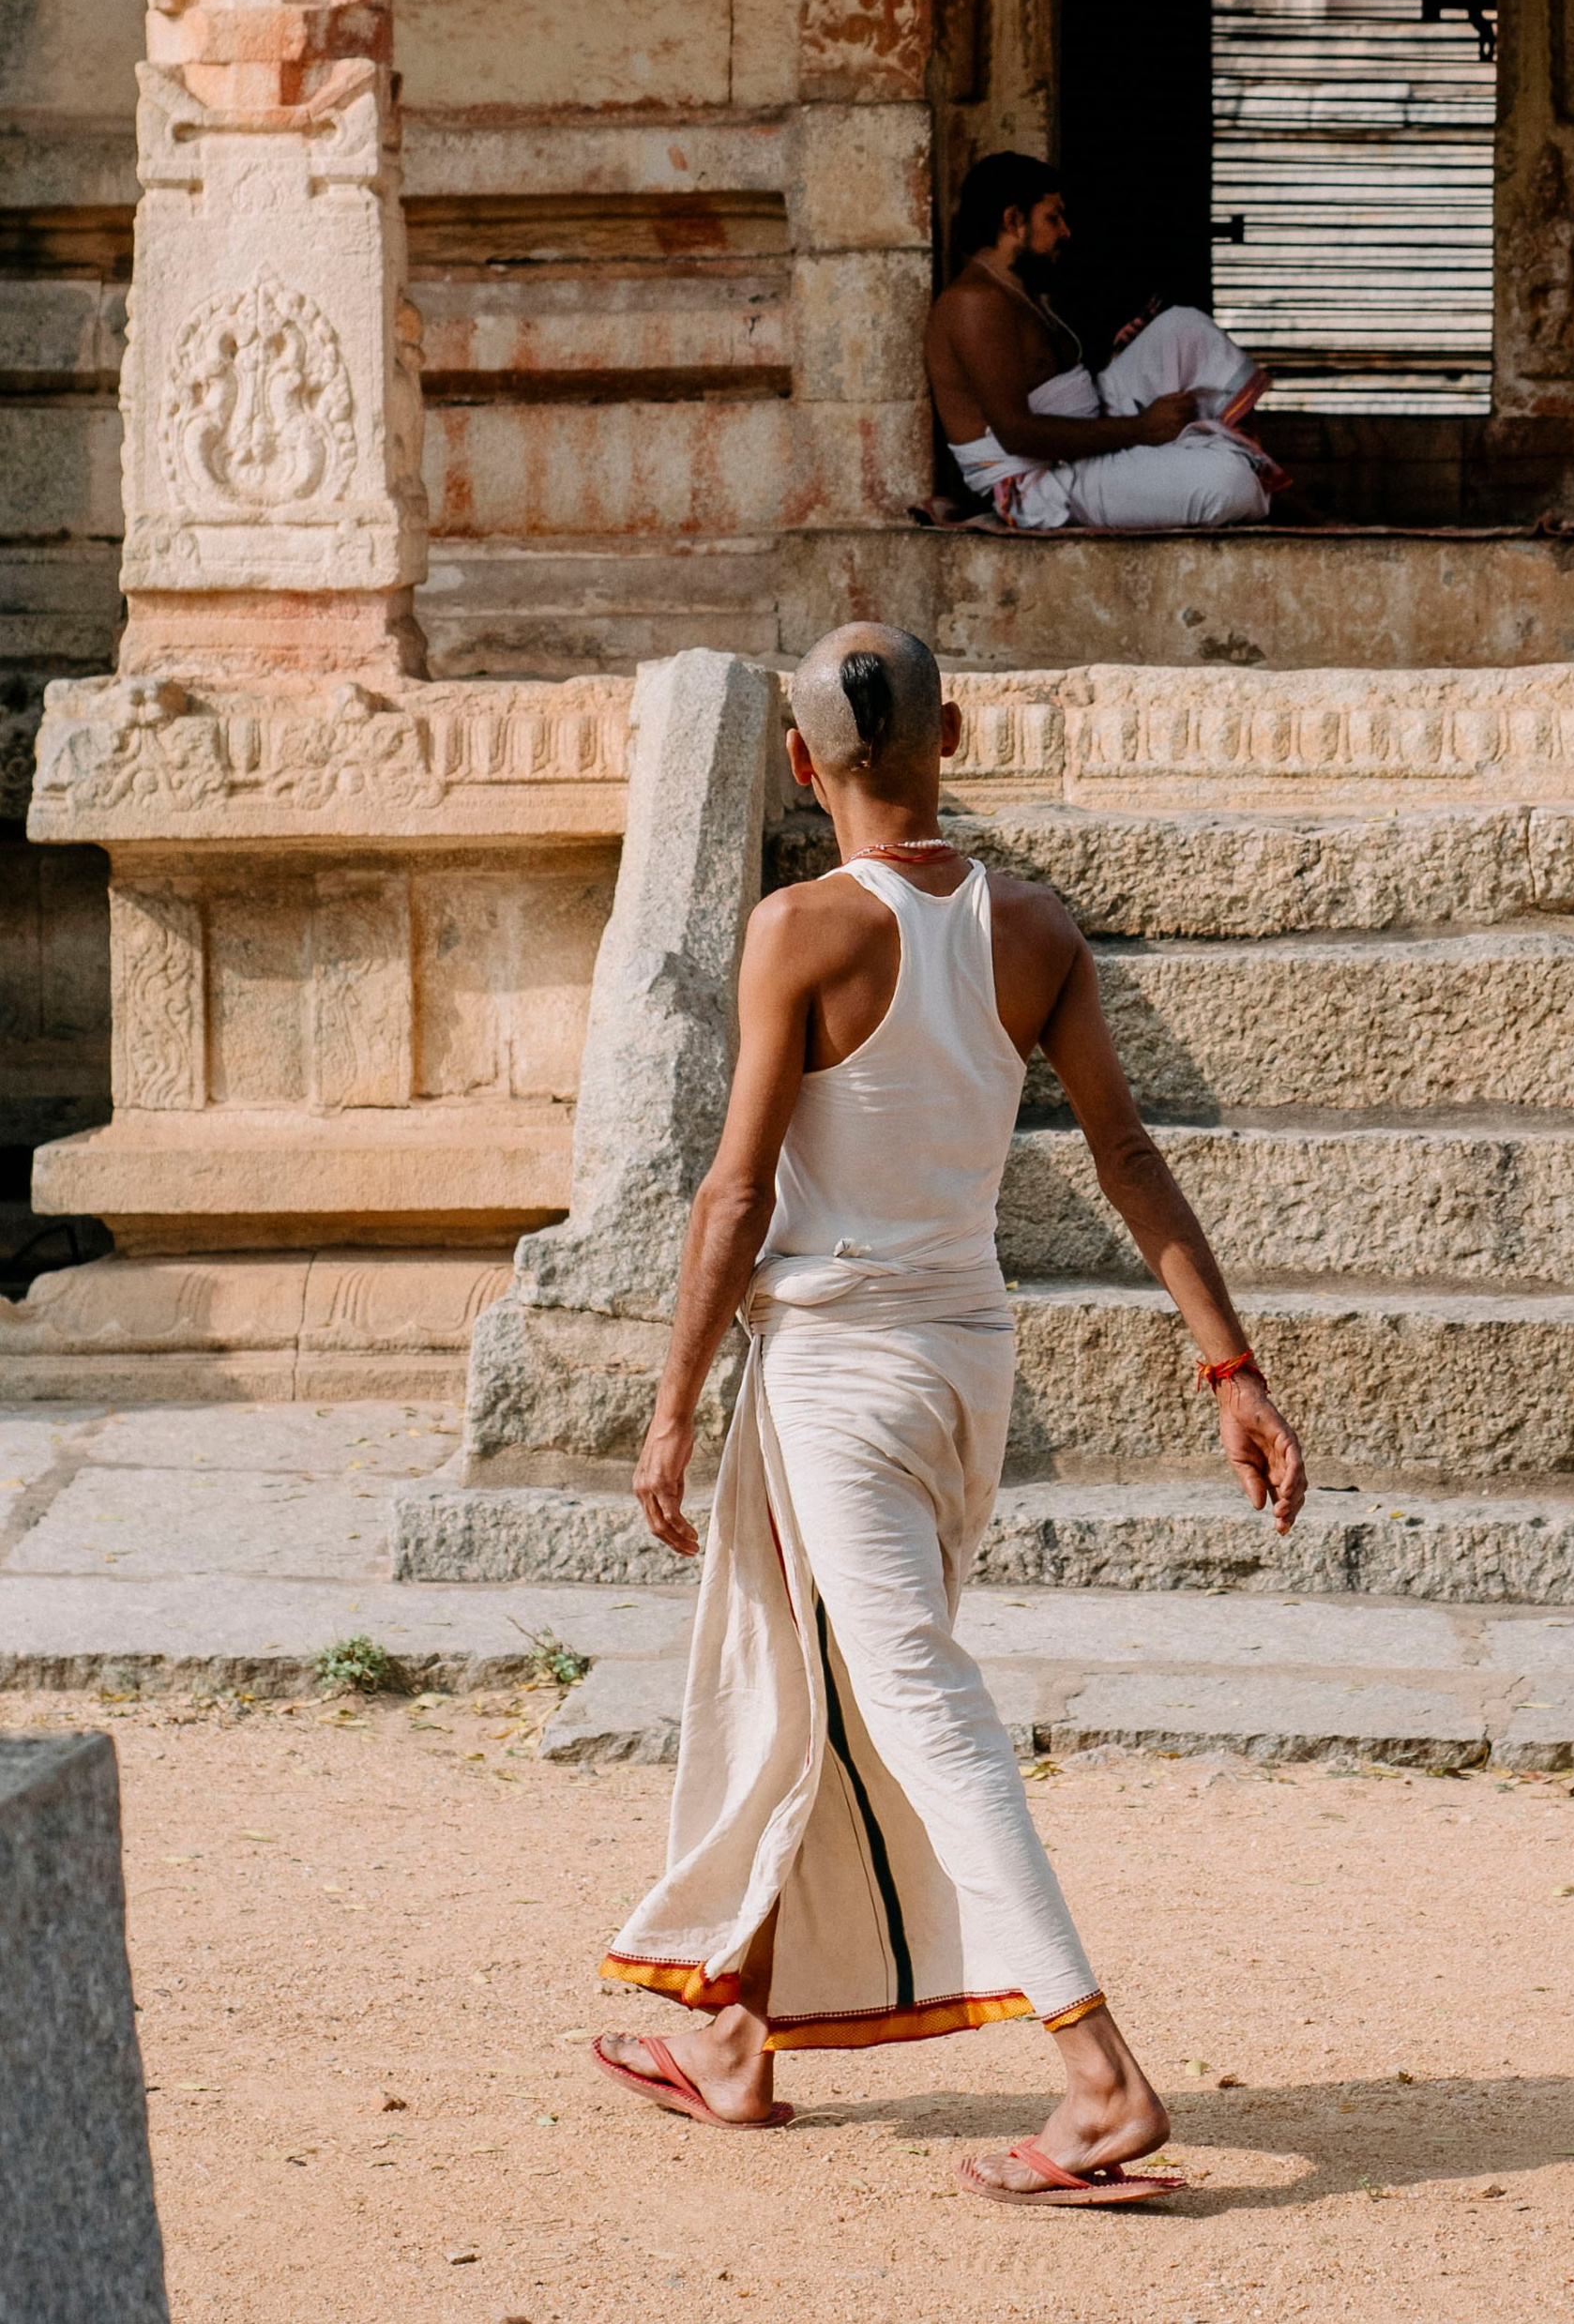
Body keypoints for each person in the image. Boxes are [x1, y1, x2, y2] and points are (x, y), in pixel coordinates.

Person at [592, 619, 1308, 2208]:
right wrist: (1230, 1372)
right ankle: (731, 2037)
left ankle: (1100, 2081)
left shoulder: (797, 931)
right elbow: (1129, 1159)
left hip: (841, 1382)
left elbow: (731, 1195)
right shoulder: (1034, 929)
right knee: (815, 1686)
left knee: (912, 1705)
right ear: (955, 736)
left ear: (799, 766)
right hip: (964, 1373)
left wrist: (666, 1412)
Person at [925, 149, 1279, 529]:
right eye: (1053, 217)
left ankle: (1229, 453)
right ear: (1014, 221)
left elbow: (1051, 386)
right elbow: (1016, 434)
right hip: (1041, 478)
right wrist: (1142, 428)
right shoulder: (973, 304)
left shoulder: (1019, 292)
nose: (1066, 231)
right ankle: (1248, 474)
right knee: (1231, 483)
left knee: (1182, 328)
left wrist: (1119, 359)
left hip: (1086, 426)